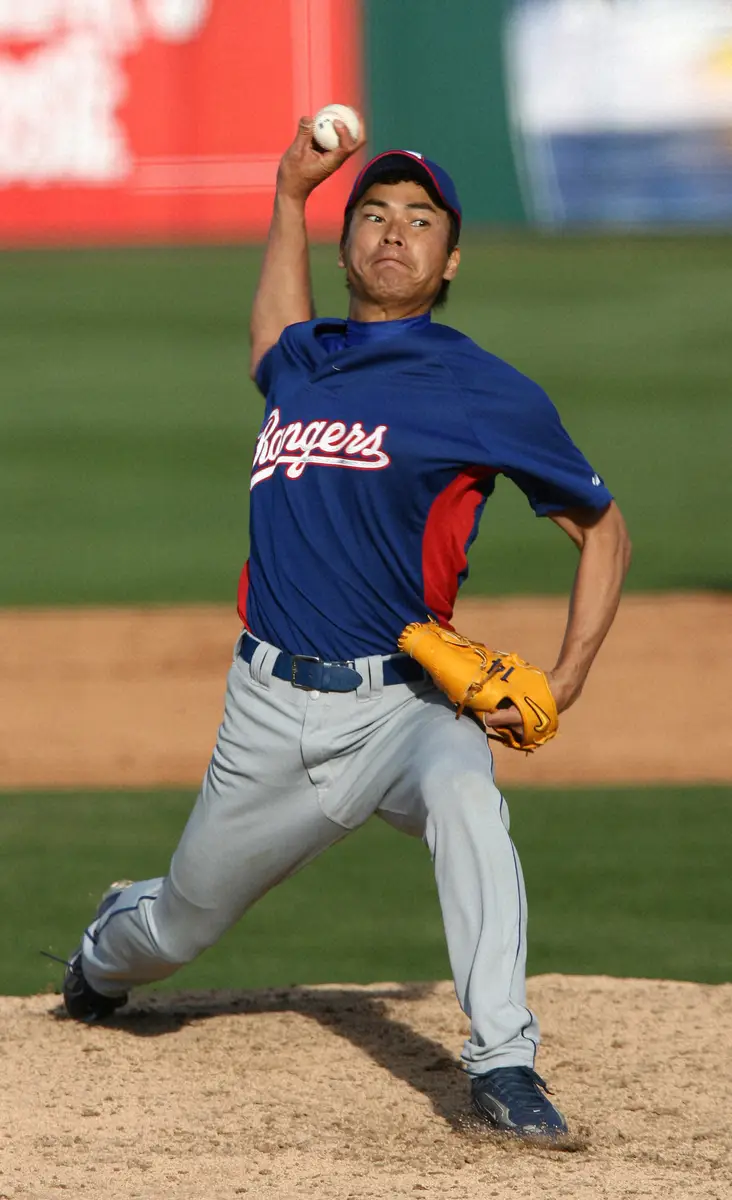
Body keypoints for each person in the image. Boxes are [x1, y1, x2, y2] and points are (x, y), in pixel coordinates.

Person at [63, 116, 631, 1140]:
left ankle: (505, 1066)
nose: (393, 231)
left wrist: (572, 673)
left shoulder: (481, 388)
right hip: (269, 713)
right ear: (347, 244)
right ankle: (103, 948)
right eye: (373, 213)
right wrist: (288, 194)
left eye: (420, 219)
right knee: (173, 929)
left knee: (468, 797)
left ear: (450, 257)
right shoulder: (306, 361)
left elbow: (603, 526)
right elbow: (266, 338)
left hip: (409, 706)